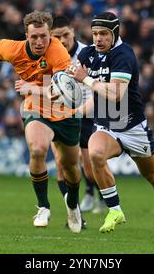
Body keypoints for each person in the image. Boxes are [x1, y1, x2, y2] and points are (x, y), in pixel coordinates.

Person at [72, 11, 154, 241]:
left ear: (115, 33)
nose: (98, 38)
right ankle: (115, 210)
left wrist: (85, 79)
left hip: (133, 128)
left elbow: (116, 94)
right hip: (106, 125)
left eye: (104, 34)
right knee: (95, 153)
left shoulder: (124, 55)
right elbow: (76, 83)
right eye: (95, 33)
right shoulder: (87, 54)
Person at [0, 10, 82, 233]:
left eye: (43, 36)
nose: (39, 41)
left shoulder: (58, 52)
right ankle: (43, 206)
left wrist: (32, 87)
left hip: (65, 112)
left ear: (49, 35)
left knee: (71, 166)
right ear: (26, 35)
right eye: (34, 36)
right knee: (37, 149)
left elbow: (64, 90)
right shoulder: (12, 49)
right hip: (36, 108)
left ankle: (73, 205)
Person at [50, 15, 105, 217]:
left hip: (87, 113)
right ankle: (75, 214)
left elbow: (96, 91)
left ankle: (98, 194)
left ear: (73, 31)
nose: (63, 40)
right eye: (57, 37)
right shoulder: (48, 55)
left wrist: (79, 112)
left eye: (65, 34)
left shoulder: (88, 54)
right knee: (60, 162)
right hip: (59, 115)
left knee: (89, 167)